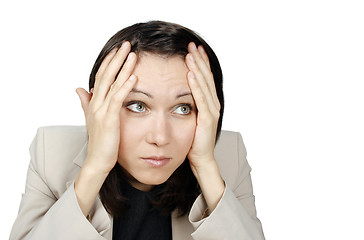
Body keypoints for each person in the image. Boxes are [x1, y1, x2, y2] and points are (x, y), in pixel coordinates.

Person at [10, 20, 265, 240]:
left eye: (183, 108)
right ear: (99, 107)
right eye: (138, 105)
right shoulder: (50, 152)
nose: (160, 137)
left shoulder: (230, 156)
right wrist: (96, 165)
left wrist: (205, 166)